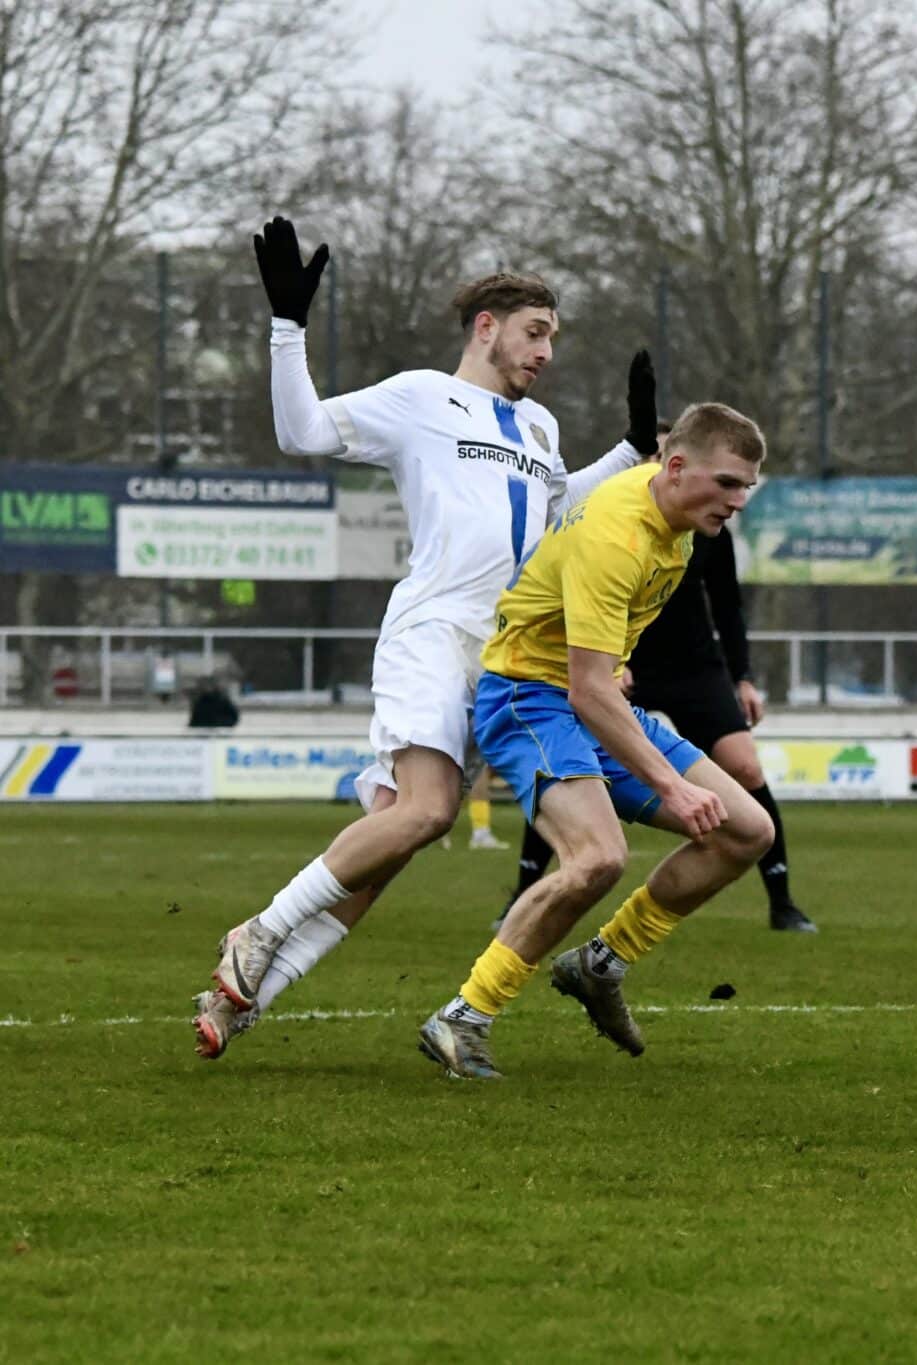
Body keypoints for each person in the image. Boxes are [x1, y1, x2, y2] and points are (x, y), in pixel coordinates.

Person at [189, 217, 651, 1060]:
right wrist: (287, 328)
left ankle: (245, 995)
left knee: (385, 851)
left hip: (503, 659)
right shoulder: (418, 397)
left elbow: (559, 508)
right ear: (488, 328)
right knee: (431, 811)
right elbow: (304, 433)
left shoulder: (539, 430)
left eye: (553, 336)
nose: (547, 350)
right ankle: (258, 931)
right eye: (535, 332)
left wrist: (633, 453)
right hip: (434, 632)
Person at [417, 403, 775, 1080]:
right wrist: (670, 783)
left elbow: (598, 671)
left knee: (746, 829)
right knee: (596, 858)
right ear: (674, 467)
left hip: (590, 696)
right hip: (528, 696)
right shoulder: (618, 534)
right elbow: (584, 689)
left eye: (745, 486)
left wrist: (613, 664)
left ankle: (599, 963)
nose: (738, 500)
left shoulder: (679, 525)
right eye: (727, 482)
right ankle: (462, 1016)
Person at [500, 515, 817, 931]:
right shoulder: (617, 514)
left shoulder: (708, 526)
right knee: (571, 770)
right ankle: (523, 893)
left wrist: (743, 677)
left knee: (744, 766)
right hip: (621, 661)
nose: (734, 499)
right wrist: (606, 662)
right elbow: (584, 593)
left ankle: (782, 901)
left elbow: (726, 601)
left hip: (695, 667)